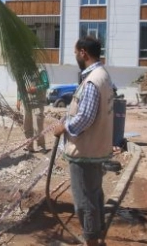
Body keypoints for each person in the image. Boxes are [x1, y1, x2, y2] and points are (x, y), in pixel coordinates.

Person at [53, 37, 114, 246]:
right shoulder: (103, 75)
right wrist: (68, 117)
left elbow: (86, 118)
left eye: (76, 53)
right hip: (97, 149)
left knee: (84, 201)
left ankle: (92, 242)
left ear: (83, 53)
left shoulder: (91, 81)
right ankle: (98, 235)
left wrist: (64, 127)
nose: (76, 57)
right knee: (95, 194)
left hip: (85, 152)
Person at [17, 67, 49, 152]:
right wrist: (18, 99)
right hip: (26, 104)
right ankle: (29, 146)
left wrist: (35, 88)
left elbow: (46, 84)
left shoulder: (41, 71)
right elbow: (20, 87)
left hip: (38, 103)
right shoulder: (23, 73)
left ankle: (41, 147)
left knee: (38, 127)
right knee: (27, 126)